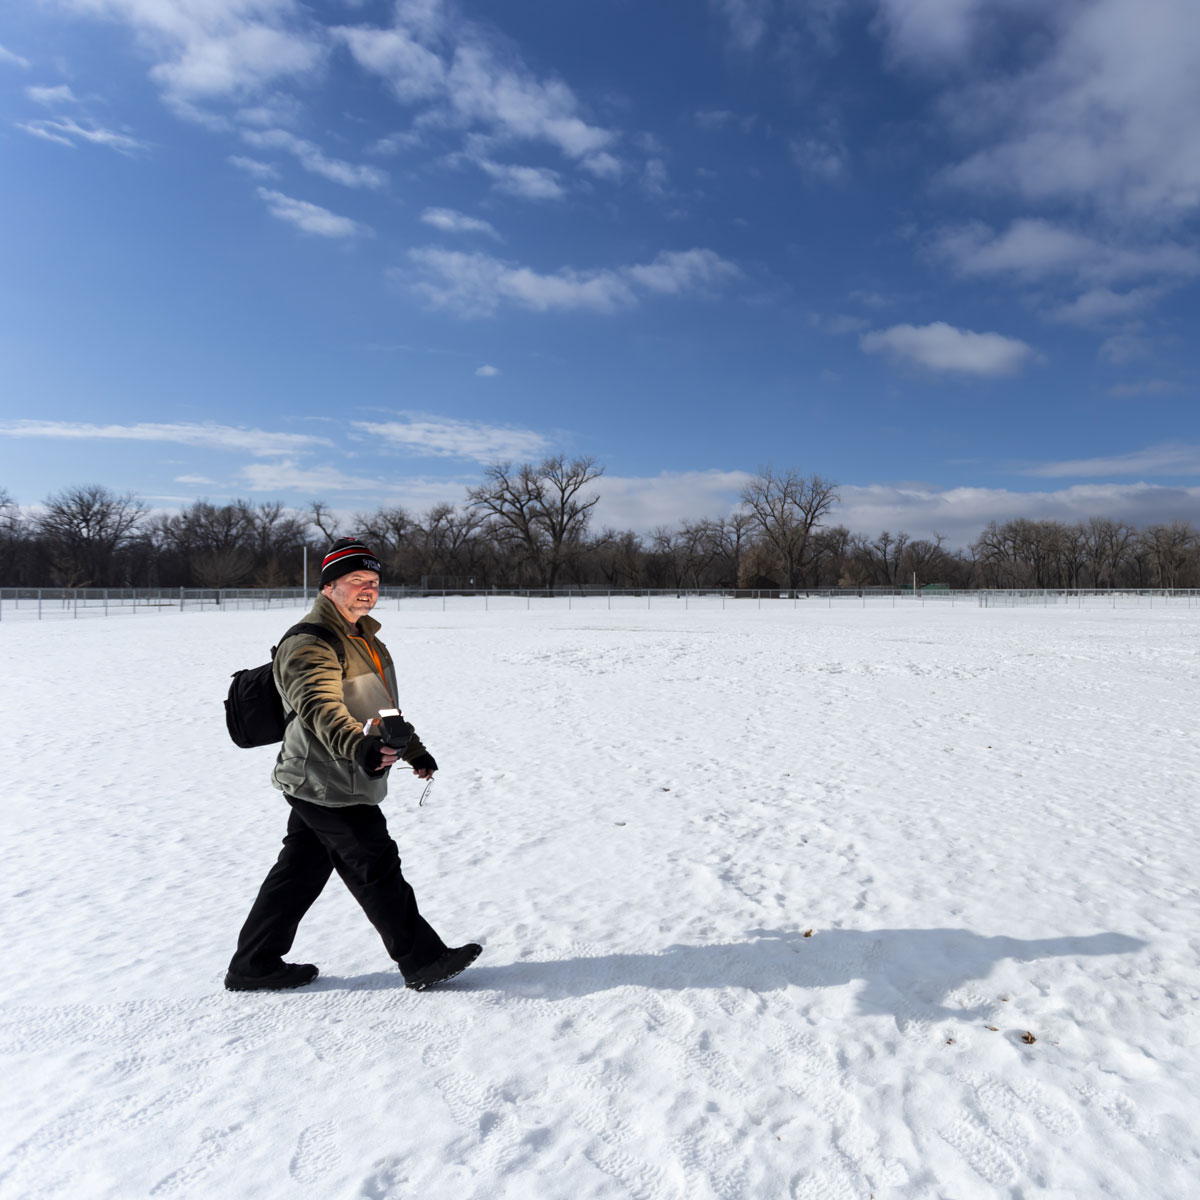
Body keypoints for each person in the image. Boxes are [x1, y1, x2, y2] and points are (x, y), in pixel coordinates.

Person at [225, 536, 480, 992]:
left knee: (299, 873)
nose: (367, 589)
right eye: (355, 580)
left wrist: (413, 748)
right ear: (328, 587)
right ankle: (422, 959)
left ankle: (255, 963)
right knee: (375, 864)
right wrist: (357, 746)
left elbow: (376, 704)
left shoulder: (363, 637)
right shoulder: (310, 642)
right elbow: (319, 707)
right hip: (324, 778)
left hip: (337, 775)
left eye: (374, 581)